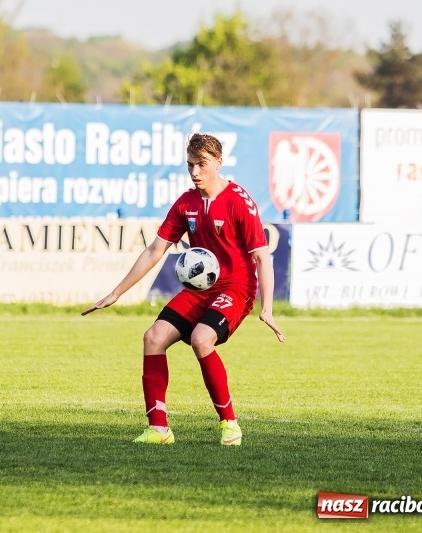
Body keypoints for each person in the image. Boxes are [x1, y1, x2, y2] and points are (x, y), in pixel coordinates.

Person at [83, 133, 285, 446]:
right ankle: (159, 429)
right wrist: (117, 292)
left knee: (201, 339)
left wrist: (267, 308)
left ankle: (229, 424)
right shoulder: (186, 203)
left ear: (218, 162)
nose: (195, 171)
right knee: (153, 337)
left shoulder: (239, 202)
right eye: (190, 164)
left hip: (237, 287)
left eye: (202, 164)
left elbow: (261, 256)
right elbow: (154, 250)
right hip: (201, 290)